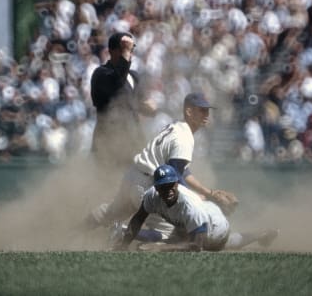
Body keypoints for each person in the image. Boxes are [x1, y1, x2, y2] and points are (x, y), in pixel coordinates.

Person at [85, 92, 238, 239]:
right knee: (171, 232)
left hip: (133, 176)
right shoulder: (184, 139)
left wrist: (208, 192)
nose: (206, 114)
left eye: (207, 110)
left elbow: (181, 169)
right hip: (147, 186)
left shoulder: (176, 127)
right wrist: (196, 198)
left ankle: (74, 231)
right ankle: (122, 232)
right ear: (189, 111)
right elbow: (175, 176)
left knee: (110, 213)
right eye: (202, 110)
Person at [114, 164, 278, 252]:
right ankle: (262, 233)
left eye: (171, 185)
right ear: (156, 188)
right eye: (163, 186)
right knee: (176, 237)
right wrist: (123, 245)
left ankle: (262, 234)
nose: (168, 189)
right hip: (198, 216)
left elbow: (196, 246)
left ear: (177, 184)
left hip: (215, 226)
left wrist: (161, 248)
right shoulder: (151, 196)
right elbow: (137, 219)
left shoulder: (189, 205)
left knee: (220, 245)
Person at [90, 32, 155, 168]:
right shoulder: (101, 73)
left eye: (131, 48)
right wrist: (125, 53)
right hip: (109, 142)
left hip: (133, 140)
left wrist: (149, 107)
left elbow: (138, 104)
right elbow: (117, 84)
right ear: (111, 51)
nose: (129, 52)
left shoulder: (134, 76)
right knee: (110, 184)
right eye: (124, 48)